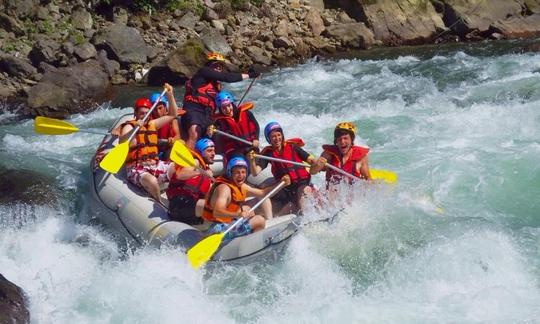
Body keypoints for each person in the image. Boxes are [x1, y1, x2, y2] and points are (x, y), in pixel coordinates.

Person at [182, 52, 260, 149]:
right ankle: (186, 161)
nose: (219, 69)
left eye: (221, 67)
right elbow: (226, 77)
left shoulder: (216, 87)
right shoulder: (203, 72)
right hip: (194, 109)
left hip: (207, 114)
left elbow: (223, 104)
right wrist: (249, 75)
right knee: (194, 132)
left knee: (214, 135)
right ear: (209, 66)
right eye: (216, 66)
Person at [202, 157, 290, 240]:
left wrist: (281, 184)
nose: (241, 175)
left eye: (243, 172)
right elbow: (217, 212)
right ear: (230, 173)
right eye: (237, 172)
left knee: (248, 210)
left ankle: (248, 241)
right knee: (259, 220)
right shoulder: (224, 189)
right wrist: (238, 215)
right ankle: (255, 245)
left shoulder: (242, 186)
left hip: (228, 224)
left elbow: (263, 193)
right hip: (218, 230)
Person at [119, 83, 178, 202]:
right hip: (137, 168)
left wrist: (170, 95)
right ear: (135, 114)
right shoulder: (130, 127)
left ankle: (176, 195)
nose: (144, 116)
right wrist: (135, 129)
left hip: (155, 164)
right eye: (141, 113)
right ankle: (159, 202)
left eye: (147, 113)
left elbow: (172, 115)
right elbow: (122, 141)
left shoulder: (152, 124)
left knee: (178, 168)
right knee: (152, 181)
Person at [248, 121, 316, 216]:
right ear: (269, 139)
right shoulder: (268, 154)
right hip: (286, 190)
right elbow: (255, 173)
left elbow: (310, 159)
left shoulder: (293, 147)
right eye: (273, 137)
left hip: (303, 184)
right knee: (265, 192)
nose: (277, 139)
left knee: (303, 192)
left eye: (279, 135)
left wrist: (316, 163)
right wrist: (251, 161)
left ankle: (309, 218)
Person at [166, 137, 215, 225]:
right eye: (209, 151)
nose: (213, 154)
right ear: (200, 152)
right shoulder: (194, 162)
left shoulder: (207, 171)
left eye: (214, 151)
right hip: (180, 204)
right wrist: (201, 173)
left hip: (191, 209)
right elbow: (181, 175)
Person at [310, 122, 371, 187]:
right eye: (339, 139)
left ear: (351, 140)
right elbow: (312, 172)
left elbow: (368, 179)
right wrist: (317, 166)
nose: (342, 142)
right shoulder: (328, 154)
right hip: (332, 194)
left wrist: (369, 184)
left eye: (345, 138)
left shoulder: (361, 158)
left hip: (352, 194)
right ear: (336, 141)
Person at [209, 90, 260, 160]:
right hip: (234, 150)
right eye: (223, 108)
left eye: (228, 105)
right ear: (220, 109)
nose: (227, 109)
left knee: (252, 158)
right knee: (239, 162)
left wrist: (256, 139)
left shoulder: (247, 113)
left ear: (232, 104)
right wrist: (210, 133)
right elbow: (212, 133)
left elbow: (256, 126)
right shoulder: (219, 122)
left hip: (250, 145)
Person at [149, 92, 182, 160]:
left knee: (181, 143)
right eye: (154, 109)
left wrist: (172, 140)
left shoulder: (171, 119)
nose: (158, 112)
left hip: (167, 147)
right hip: (154, 148)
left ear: (165, 107)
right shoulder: (149, 120)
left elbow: (178, 136)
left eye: (160, 108)